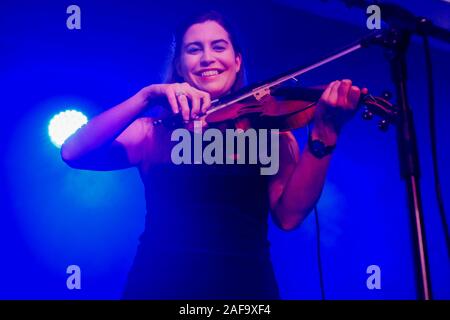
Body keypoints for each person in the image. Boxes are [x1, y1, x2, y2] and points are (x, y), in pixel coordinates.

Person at [61, 10, 362, 299]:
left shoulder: (271, 133)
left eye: (219, 47)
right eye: (194, 49)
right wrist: (146, 96)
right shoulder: (154, 130)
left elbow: (289, 217)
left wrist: (325, 132)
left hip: (246, 288)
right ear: (179, 65)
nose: (207, 58)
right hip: (159, 284)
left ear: (236, 60)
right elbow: (74, 152)